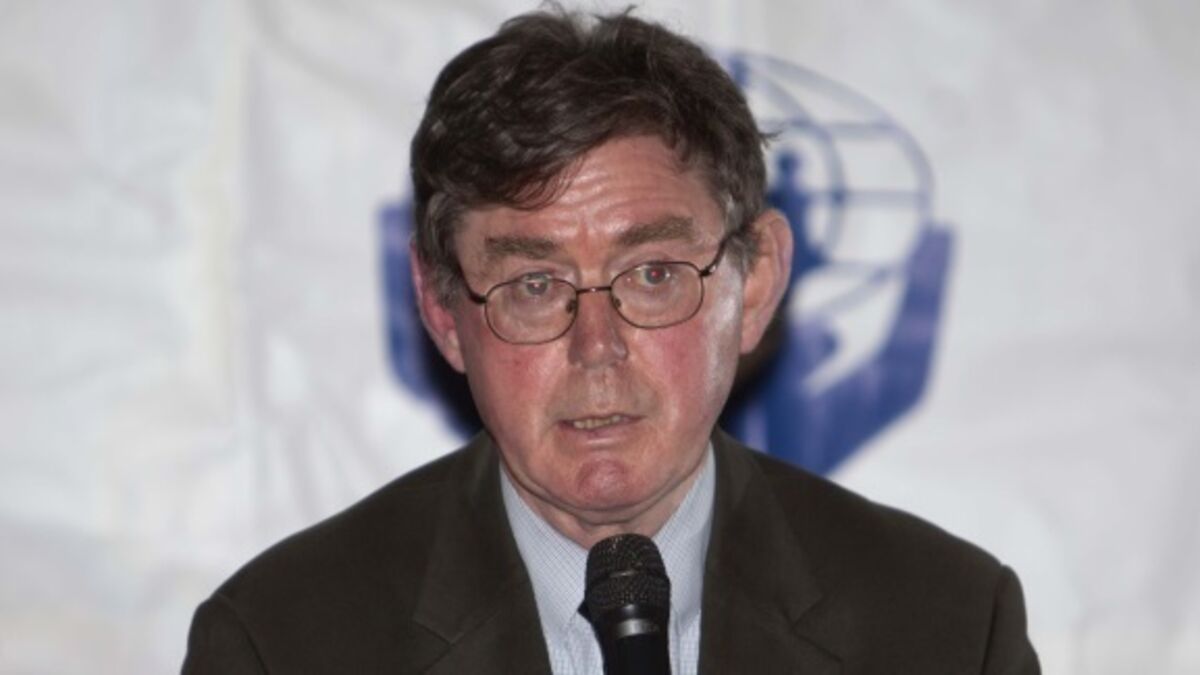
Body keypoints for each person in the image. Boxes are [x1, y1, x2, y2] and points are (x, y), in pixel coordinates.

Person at [183, 7, 1039, 674]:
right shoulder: (280, 644)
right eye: (534, 284)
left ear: (755, 284)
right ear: (443, 309)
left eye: (654, 274)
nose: (597, 346)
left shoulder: (949, 629)